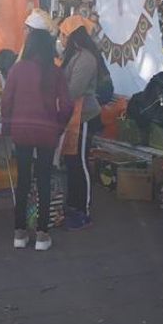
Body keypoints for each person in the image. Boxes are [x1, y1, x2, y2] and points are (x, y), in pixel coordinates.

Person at [2, 28, 73, 251]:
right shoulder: (55, 71)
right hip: (46, 131)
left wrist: (7, 126)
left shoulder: (17, 69)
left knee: (23, 179)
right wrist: (59, 125)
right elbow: (68, 105)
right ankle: (42, 234)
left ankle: (19, 233)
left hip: (21, 130)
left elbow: (6, 101)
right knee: (43, 179)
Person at [58, 17, 104, 230]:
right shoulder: (74, 56)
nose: (61, 39)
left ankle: (84, 210)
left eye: (64, 35)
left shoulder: (85, 58)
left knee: (81, 163)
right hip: (73, 115)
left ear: (73, 36)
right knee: (72, 162)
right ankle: (73, 204)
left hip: (84, 115)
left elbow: (74, 90)